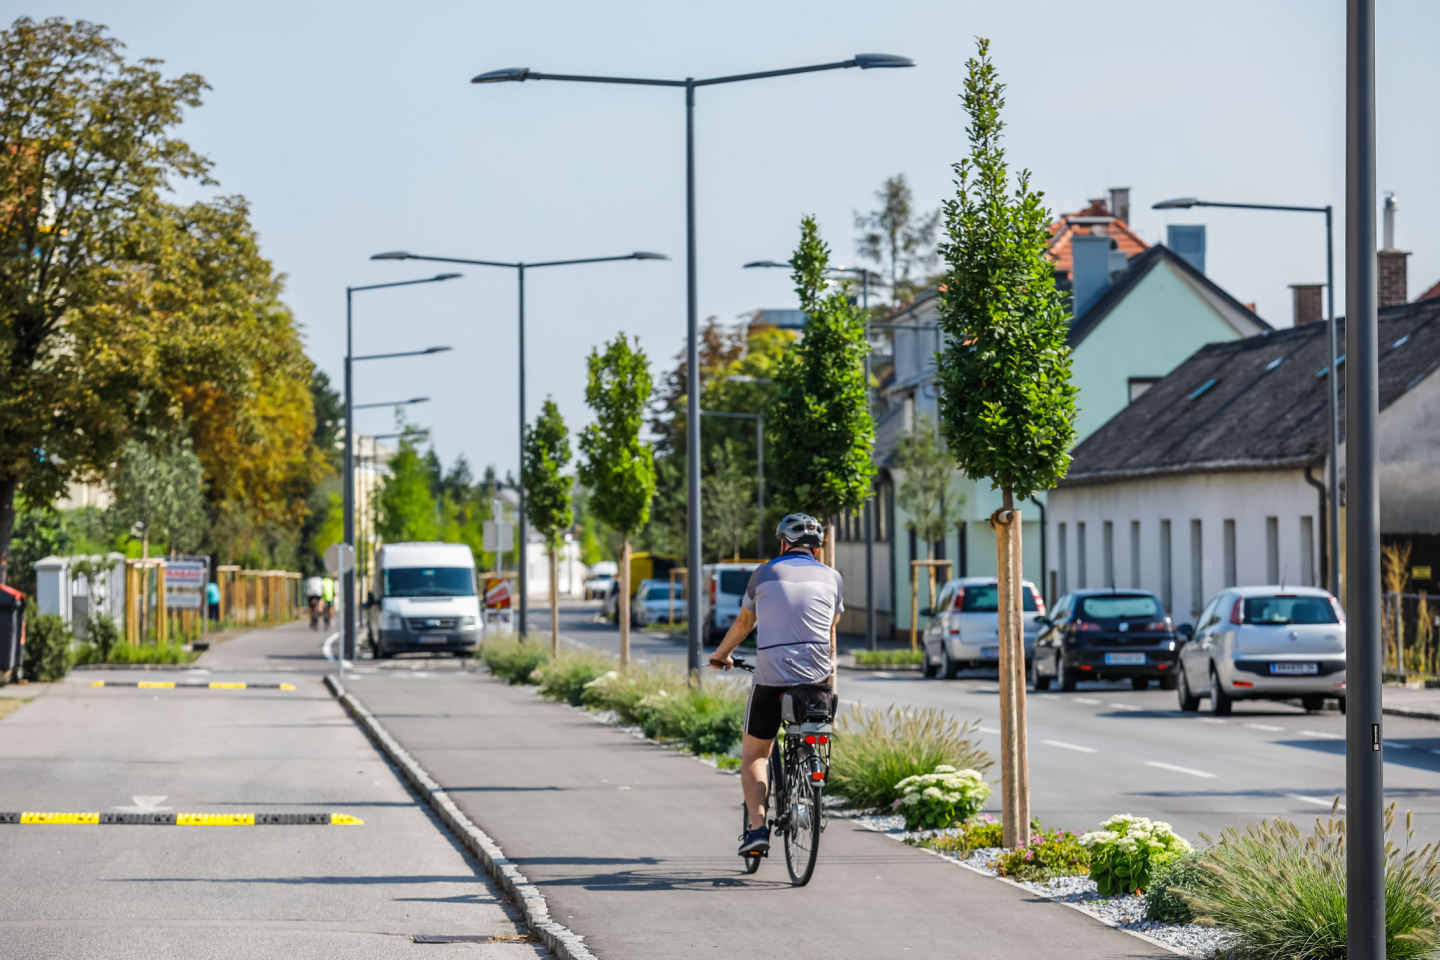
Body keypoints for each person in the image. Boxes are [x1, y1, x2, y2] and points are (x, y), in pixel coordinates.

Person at [710, 513, 842, 857]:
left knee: (755, 754)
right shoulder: (833, 578)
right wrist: (829, 681)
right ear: (817, 547)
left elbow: (744, 622)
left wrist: (722, 654)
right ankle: (805, 765)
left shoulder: (764, 572)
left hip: (771, 675)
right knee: (805, 733)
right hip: (817, 680)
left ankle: (757, 831)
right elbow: (830, 631)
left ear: (783, 544)